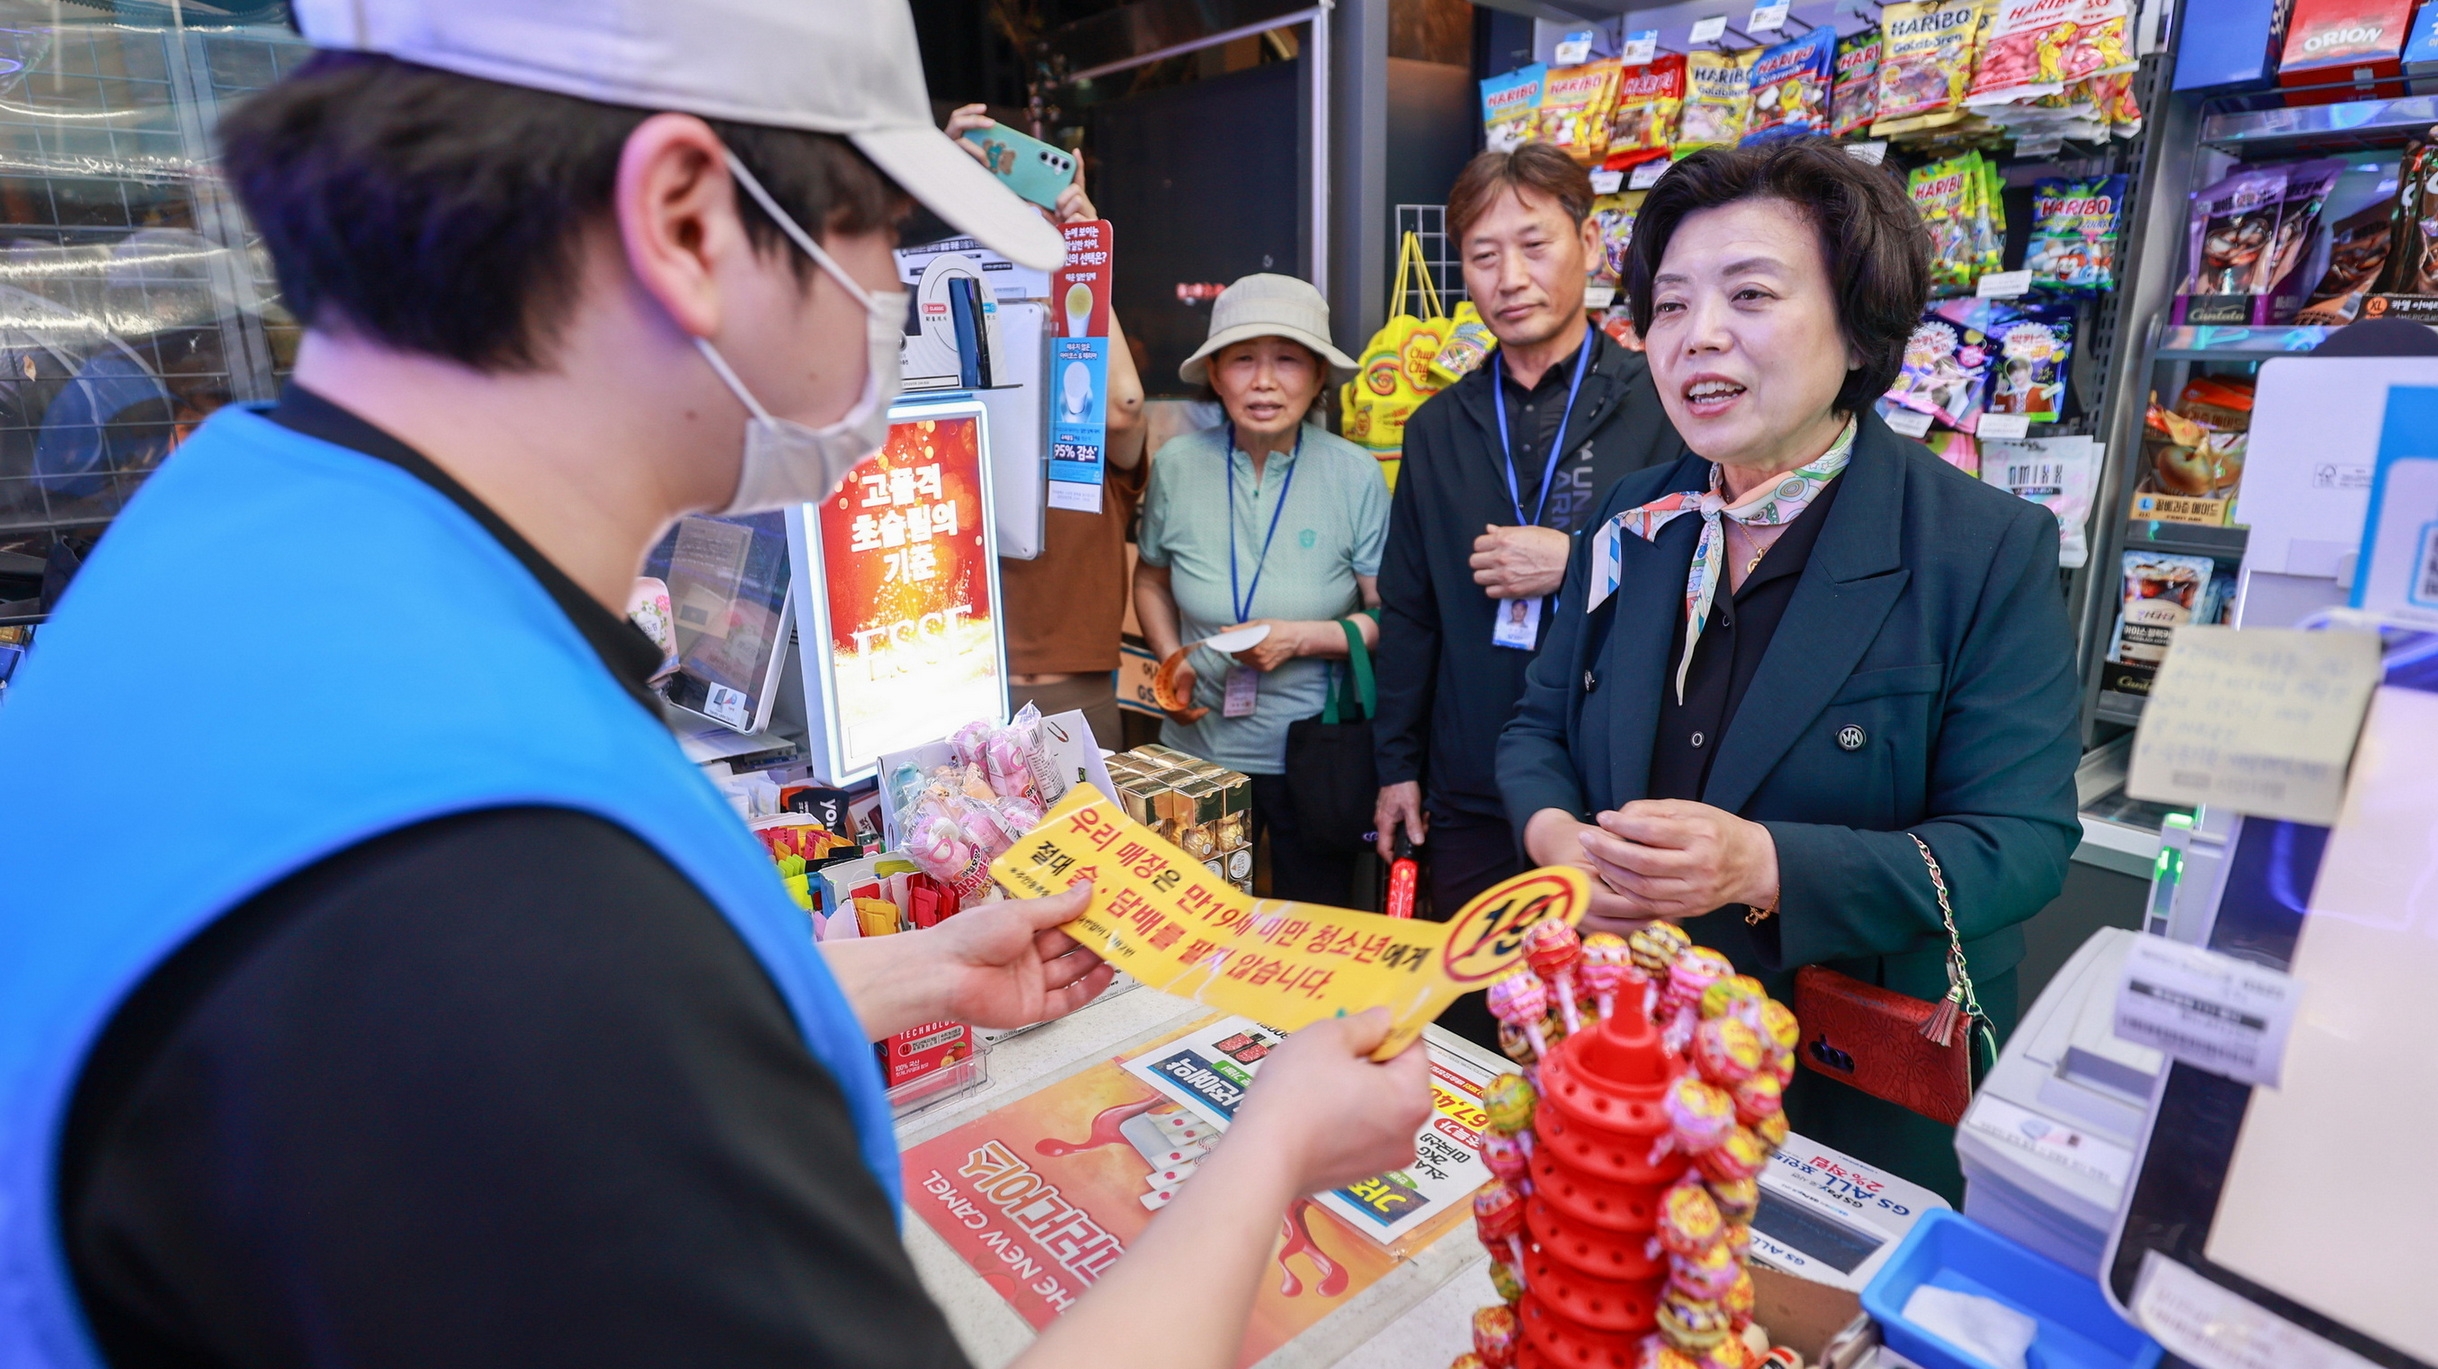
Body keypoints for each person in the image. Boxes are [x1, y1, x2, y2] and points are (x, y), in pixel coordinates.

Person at [0, 5, 1433, 1366]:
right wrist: (1270, 1149)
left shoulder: (245, 508)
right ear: (689, 221)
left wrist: (912, 968)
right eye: (880, 234)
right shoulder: (496, 898)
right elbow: (569, 1015)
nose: (893, 296)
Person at [1496, 140, 2081, 1202]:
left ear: (1857, 326)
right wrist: (1561, 845)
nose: (1696, 335)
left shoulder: (1981, 546)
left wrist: (1761, 864)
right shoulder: (1636, 515)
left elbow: (2019, 844)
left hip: (1838, 1100)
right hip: (1628, 1053)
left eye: (1749, 293)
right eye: (1669, 305)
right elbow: (1537, 725)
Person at [1371, 145, 1685, 1043]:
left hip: (1615, 797)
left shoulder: (1662, 402)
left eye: (1535, 244)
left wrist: (1575, 556)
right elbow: (1412, 606)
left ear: (1591, 242)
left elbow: (1706, 561)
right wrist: (1397, 765)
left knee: (1603, 1033)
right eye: (1482, 253)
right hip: (1469, 785)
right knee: (1475, 1023)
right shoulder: (1437, 427)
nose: (1510, 277)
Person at [1133, 274, 1388, 905]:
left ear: (1318, 376)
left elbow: (1394, 615)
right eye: (1244, 359)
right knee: (1191, 935)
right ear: (1215, 375)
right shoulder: (1177, 465)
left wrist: (1300, 639)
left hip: (1317, 756)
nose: (1265, 381)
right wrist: (1172, 658)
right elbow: (1151, 578)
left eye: (1288, 360)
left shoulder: (1353, 473)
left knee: (1314, 940)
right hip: (1195, 755)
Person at [944, 105, 1150, 747]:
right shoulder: (950, 382)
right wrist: (935, 196)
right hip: (962, 684)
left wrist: (1079, 259)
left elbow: (1124, 408)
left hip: (1072, 690)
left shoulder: (1087, 390)